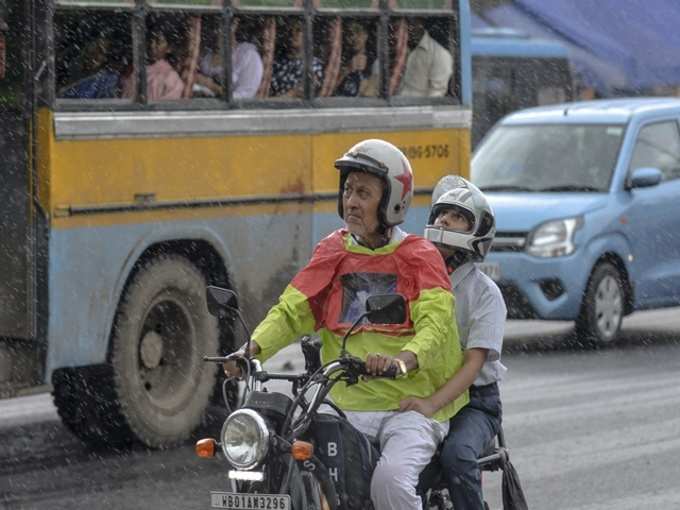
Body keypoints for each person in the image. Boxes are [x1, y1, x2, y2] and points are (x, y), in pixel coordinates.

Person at [224, 139, 468, 510]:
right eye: (349, 190)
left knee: (391, 485)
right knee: (279, 458)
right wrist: (249, 351)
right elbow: (293, 311)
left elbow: (437, 328)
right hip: (342, 404)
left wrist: (403, 360)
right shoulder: (333, 251)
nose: (351, 201)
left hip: (408, 408)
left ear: (392, 202)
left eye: (364, 193)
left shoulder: (420, 257)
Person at [400, 175, 507, 510]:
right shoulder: (412, 281)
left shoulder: (486, 294)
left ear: (478, 230)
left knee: (457, 456)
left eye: (457, 216)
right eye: (440, 213)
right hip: (423, 386)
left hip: (475, 402)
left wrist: (432, 403)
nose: (443, 220)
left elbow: (473, 365)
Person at [194, 18, 263, 99]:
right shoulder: (205, 56)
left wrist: (212, 86)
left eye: (220, 23)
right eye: (214, 24)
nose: (216, 30)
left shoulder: (248, 56)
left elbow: (245, 98)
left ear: (235, 24)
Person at [122, 23, 184, 101]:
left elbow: (167, 110)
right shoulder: (137, 72)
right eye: (150, 40)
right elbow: (126, 100)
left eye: (158, 42)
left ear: (169, 48)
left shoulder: (172, 78)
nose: (152, 45)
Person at [398, 18, 452, 97]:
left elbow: (436, 94)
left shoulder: (439, 54)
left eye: (412, 24)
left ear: (421, 24)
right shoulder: (399, 48)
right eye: (406, 24)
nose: (408, 28)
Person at [270, 18, 323, 98]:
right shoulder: (276, 61)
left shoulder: (313, 65)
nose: (293, 34)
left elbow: (301, 93)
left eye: (298, 30)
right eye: (289, 29)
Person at [334, 20, 373, 97]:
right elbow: (329, 89)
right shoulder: (339, 59)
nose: (354, 38)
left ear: (366, 35)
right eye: (350, 34)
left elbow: (370, 92)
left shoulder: (372, 61)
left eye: (358, 33)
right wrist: (347, 69)